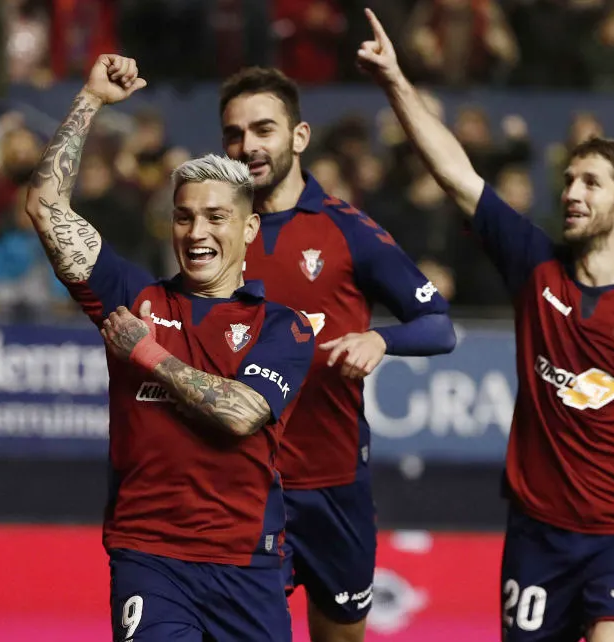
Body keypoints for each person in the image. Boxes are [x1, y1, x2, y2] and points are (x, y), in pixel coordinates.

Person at [357, 10, 614, 642]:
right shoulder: (534, 265)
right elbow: (457, 177)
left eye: (590, 183)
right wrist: (397, 83)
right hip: (537, 537)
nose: (571, 191)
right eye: (568, 178)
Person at [24, 54, 315, 642]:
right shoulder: (135, 295)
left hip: (247, 567)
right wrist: (91, 99)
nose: (197, 233)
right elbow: (46, 210)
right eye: (184, 218)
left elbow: (240, 414)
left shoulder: (284, 327)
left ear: (249, 229)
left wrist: (147, 353)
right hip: (149, 557)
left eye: (214, 217)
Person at [217, 66, 457, 641]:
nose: (247, 145)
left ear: (298, 138)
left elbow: (437, 324)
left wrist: (380, 339)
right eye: (233, 133)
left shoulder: (347, 231)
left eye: (263, 129)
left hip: (334, 485)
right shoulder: (214, 233)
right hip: (243, 484)